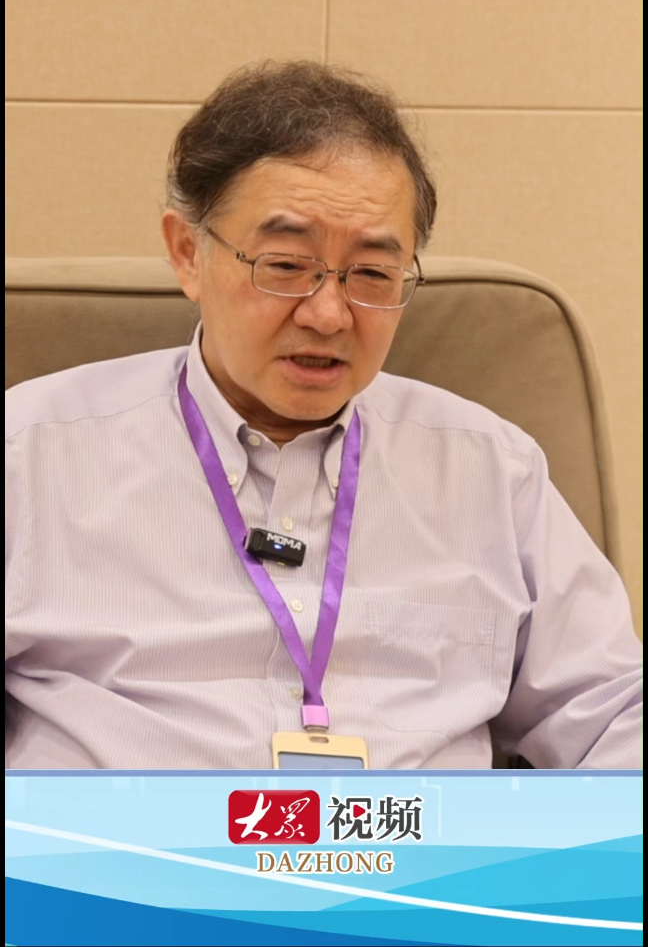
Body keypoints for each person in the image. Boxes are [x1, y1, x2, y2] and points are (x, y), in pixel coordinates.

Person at [5, 61, 642, 770]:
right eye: (285, 265)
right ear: (188, 254)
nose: (329, 314)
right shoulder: (29, 453)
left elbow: (613, 712)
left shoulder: (493, 470)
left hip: (409, 841)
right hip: (115, 842)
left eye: (371, 274)